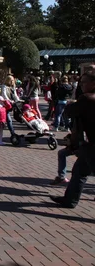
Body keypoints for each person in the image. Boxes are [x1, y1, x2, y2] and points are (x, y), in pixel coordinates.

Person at [50, 72, 95, 208]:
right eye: (81, 82)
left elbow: (70, 111)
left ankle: (70, 200)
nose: (81, 85)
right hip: (89, 143)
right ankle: (70, 200)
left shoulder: (87, 98)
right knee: (79, 171)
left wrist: (71, 103)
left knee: (81, 171)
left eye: (85, 82)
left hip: (92, 143)